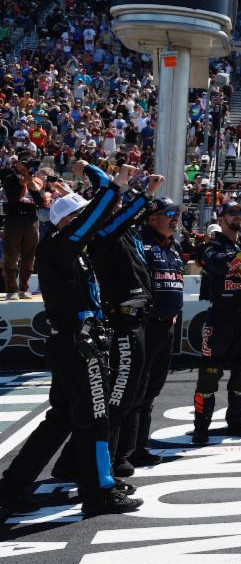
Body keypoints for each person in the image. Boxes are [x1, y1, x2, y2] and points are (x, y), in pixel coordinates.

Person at [0, 161, 142, 516]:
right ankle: (100, 492)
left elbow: (105, 224)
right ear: (67, 221)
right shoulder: (60, 245)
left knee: (61, 419)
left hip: (76, 343)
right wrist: (114, 188)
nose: (88, 224)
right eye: (79, 216)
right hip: (79, 346)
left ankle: (10, 490)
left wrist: (134, 195)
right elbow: (93, 220)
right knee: (95, 419)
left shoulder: (72, 250)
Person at [88, 167, 163, 477]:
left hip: (139, 321)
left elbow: (128, 218)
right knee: (118, 399)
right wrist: (143, 194)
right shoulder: (103, 232)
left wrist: (141, 197)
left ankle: (120, 456)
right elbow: (121, 216)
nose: (119, 205)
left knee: (134, 394)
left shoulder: (127, 233)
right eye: (114, 202)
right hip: (120, 323)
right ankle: (105, 467)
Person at [193, 202, 241, 445]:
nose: (239, 217)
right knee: (209, 374)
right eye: (233, 213)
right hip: (221, 317)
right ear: (221, 217)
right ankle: (201, 427)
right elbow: (226, 266)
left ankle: (236, 421)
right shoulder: (211, 246)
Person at [130, 196, 184, 466]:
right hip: (145, 328)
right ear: (151, 218)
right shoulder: (141, 243)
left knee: (151, 390)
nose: (175, 218)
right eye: (169, 213)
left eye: (176, 213)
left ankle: (139, 446)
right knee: (137, 390)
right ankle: (126, 451)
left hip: (166, 327)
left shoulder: (173, 245)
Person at [2, 154, 45, 299]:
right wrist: (22, 182)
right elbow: (12, 199)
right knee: (11, 255)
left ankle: (23, 288)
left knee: (29, 256)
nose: (26, 165)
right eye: (23, 162)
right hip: (14, 219)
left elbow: (41, 202)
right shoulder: (10, 178)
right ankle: (11, 289)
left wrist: (30, 183)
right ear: (17, 164)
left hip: (31, 219)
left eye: (28, 163)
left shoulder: (36, 180)